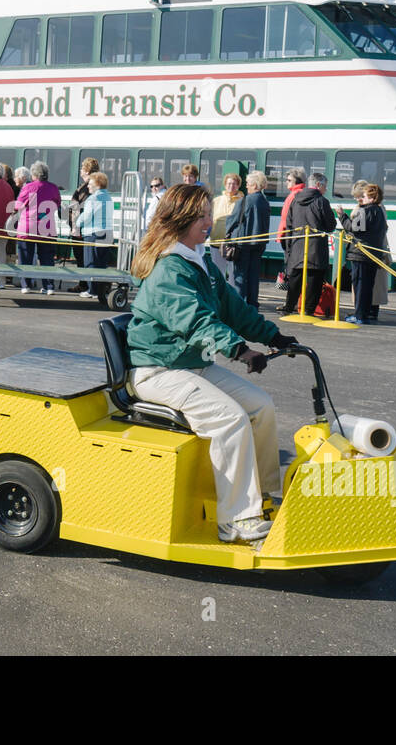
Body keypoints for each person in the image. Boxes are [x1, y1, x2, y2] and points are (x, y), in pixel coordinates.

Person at [126, 184, 299, 543]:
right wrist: (239, 351)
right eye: (203, 215)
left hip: (189, 365)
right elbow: (195, 321)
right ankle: (236, 520)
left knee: (260, 407)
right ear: (182, 220)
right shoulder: (169, 270)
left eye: (209, 213)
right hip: (158, 370)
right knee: (230, 419)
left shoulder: (198, 259)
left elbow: (232, 308)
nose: (210, 220)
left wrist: (272, 337)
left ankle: (262, 497)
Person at [283, 172, 335, 315]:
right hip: (316, 248)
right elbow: (330, 225)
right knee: (314, 279)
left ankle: (289, 307)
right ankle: (308, 310)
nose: (325, 190)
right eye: (325, 186)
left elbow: (289, 224)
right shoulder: (322, 201)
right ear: (318, 185)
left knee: (296, 278)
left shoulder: (295, 199)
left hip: (298, 245)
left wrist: (289, 248)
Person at [340, 183, 390, 324]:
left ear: (372, 198)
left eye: (364, 196)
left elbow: (353, 228)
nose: (362, 199)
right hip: (373, 254)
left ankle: (359, 315)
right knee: (368, 286)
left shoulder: (364, 211)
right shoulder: (380, 211)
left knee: (360, 285)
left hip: (361, 253)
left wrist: (342, 216)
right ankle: (366, 313)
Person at [15, 161, 62, 294]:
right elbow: (57, 203)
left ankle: (26, 285)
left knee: (26, 258)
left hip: (28, 227)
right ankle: (49, 286)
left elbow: (18, 205)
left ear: (34, 175)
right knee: (47, 258)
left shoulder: (28, 187)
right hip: (47, 227)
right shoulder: (53, 188)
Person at [225, 171, 271, 309]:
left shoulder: (245, 201)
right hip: (259, 244)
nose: (247, 186)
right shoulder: (264, 201)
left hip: (243, 243)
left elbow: (232, 220)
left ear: (255, 185)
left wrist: (226, 233)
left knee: (240, 276)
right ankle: (253, 305)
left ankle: (239, 306)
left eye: (248, 184)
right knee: (253, 276)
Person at [76, 171, 113, 299]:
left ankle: (92, 290)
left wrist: (77, 222)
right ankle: (100, 291)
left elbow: (86, 217)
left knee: (90, 262)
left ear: (97, 184)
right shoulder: (108, 197)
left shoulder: (93, 198)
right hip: (107, 233)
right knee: (101, 263)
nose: (88, 186)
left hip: (93, 233)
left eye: (90, 183)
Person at [208, 172, 243, 279]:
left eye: (234, 184)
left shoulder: (242, 201)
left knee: (234, 274)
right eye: (229, 184)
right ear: (224, 184)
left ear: (238, 186)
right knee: (217, 273)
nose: (231, 186)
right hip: (216, 242)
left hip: (233, 245)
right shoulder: (216, 201)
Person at [68, 157, 100, 270]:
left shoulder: (85, 188)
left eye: (82, 167)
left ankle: (83, 285)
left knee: (82, 258)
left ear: (87, 171)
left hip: (82, 230)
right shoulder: (97, 186)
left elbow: (77, 208)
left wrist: (75, 228)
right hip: (92, 229)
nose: (80, 170)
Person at [276, 167, 305, 257]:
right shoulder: (299, 193)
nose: (286, 182)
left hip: (288, 234)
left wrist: (283, 234)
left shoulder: (294, 195)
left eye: (289, 180)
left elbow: (288, 217)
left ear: (297, 181)